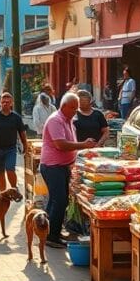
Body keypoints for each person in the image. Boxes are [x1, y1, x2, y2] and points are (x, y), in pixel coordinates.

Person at [41, 93, 97, 248]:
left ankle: (51, 231)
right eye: (72, 108)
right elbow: (61, 145)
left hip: (62, 166)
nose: (75, 111)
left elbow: (70, 143)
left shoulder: (69, 120)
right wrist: (83, 145)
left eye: (76, 108)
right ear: (63, 106)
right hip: (53, 166)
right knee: (59, 201)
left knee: (57, 200)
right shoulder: (55, 120)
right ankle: (52, 236)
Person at [0, 92, 29, 191]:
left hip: (10, 149)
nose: (5, 103)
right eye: (3, 101)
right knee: (0, 173)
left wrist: (25, 145)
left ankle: (14, 189)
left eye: (8, 102)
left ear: (11, 103)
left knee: (10, 169)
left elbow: (22, 133)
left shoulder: (16, 117)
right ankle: (3, 193)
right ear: (0, 102)